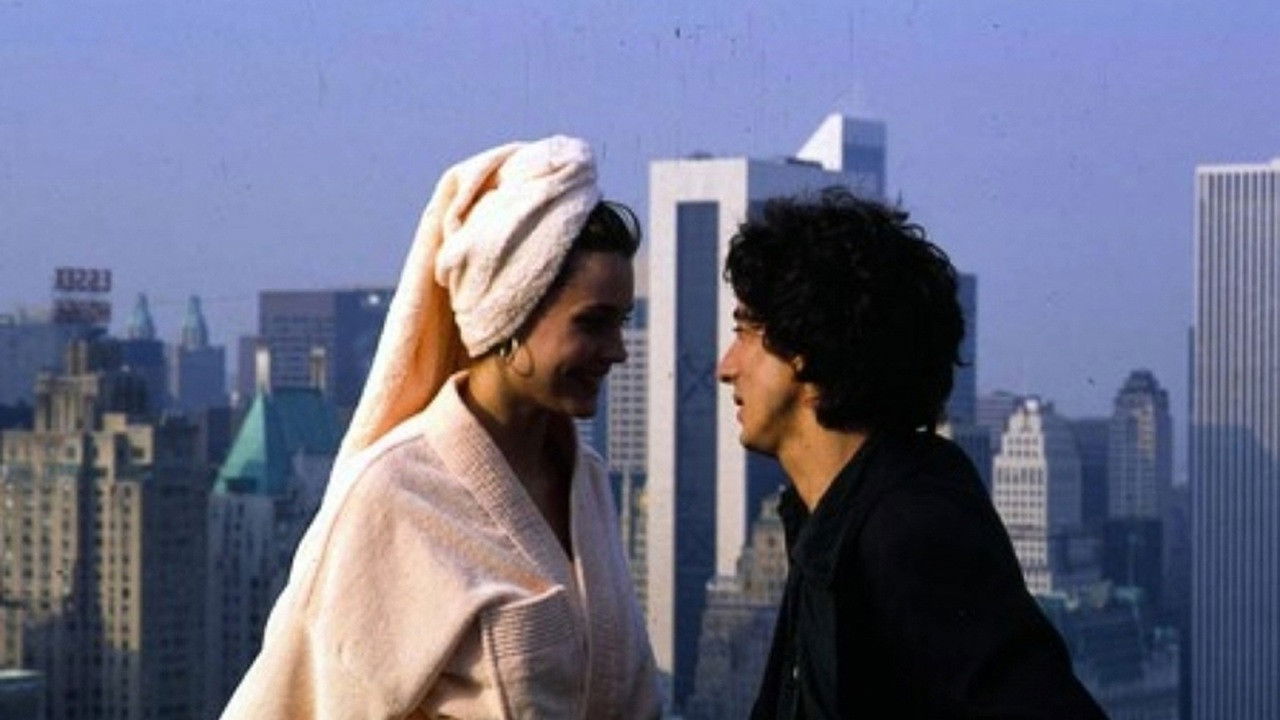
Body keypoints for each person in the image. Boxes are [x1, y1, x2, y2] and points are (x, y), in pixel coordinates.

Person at [222, 136, 661, 719]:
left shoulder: (592, 486)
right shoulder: (393, 495)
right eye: (593, 323)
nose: (617, 350)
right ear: (515, 313)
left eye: (622, 323)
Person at [717, 188, 1106, 718]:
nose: (726, 367)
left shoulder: (910, 529)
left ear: (804, 350)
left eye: (745, 333)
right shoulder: (833, 522)